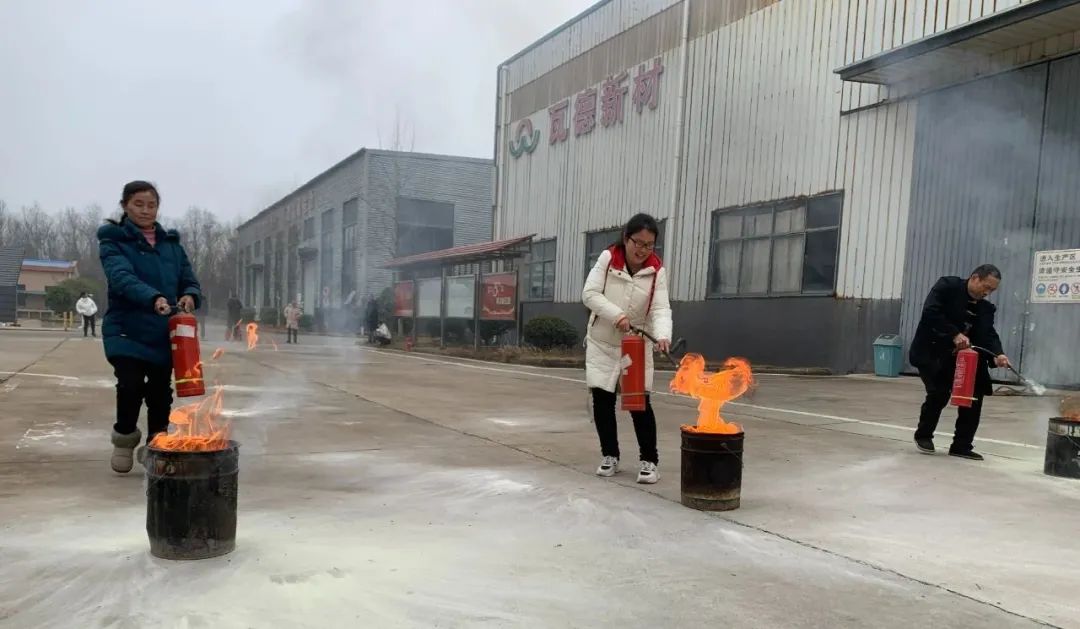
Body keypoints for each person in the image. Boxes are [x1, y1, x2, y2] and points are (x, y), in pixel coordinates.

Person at [98, 180, 201, 474]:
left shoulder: (172, 245)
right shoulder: (114, 241)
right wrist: (153, 297)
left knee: (159, 392)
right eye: (138, 204)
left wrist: (189, 295)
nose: (145, 210)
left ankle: (157, 446)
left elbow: (188, 279)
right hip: (125, 329)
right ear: (125, 206)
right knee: (130, 385)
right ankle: (124, 438)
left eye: (151, 205)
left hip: (162, 330)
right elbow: (121, 277)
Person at [582, 213, 672, 484]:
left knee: (638, 403)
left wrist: (663, 335)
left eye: (649, 245)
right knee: (603, 401)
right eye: (638, 243)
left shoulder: (656, 270)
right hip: (602, 342)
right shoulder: (609, 258)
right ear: (626, 238)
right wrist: (617, 315)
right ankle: (609, 455)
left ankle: (649, 461)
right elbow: (590, 294)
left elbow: (660, 309)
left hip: (635, 345)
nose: (642, 250)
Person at [909, 264, 1010, 461]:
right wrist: (954, 334)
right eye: (986, 287)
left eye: (992, 290)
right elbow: (931, 312)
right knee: (939, 392)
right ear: (975, 278)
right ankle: (924, 435)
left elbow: (988, 334)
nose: (987, 293)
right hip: (933, 352)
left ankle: (961, 446)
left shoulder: (985, 308)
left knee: (975, 395)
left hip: (965, 357)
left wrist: (998, 354)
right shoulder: (947, 287)